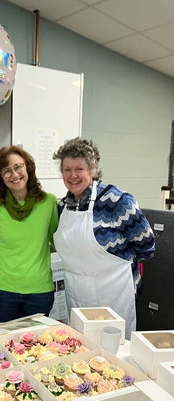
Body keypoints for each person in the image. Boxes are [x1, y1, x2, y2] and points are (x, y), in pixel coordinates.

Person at [52, 137, 155, 339]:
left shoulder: (117, 201)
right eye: (67, 169)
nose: (72, 175)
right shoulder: (62, 205)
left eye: (79, 169)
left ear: (93, 169)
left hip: (114, 296)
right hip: (76, 297)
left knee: (115, 356)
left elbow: (147, 245)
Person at [0, 145, 59, 322]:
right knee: (8, 345)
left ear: (27, 167)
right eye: (6, 170)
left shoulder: (48, 203)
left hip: (39, 291)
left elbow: (59, 240)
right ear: (0, 176)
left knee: (38, 345)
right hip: (5, 291)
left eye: (18, 167)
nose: (14, 175)